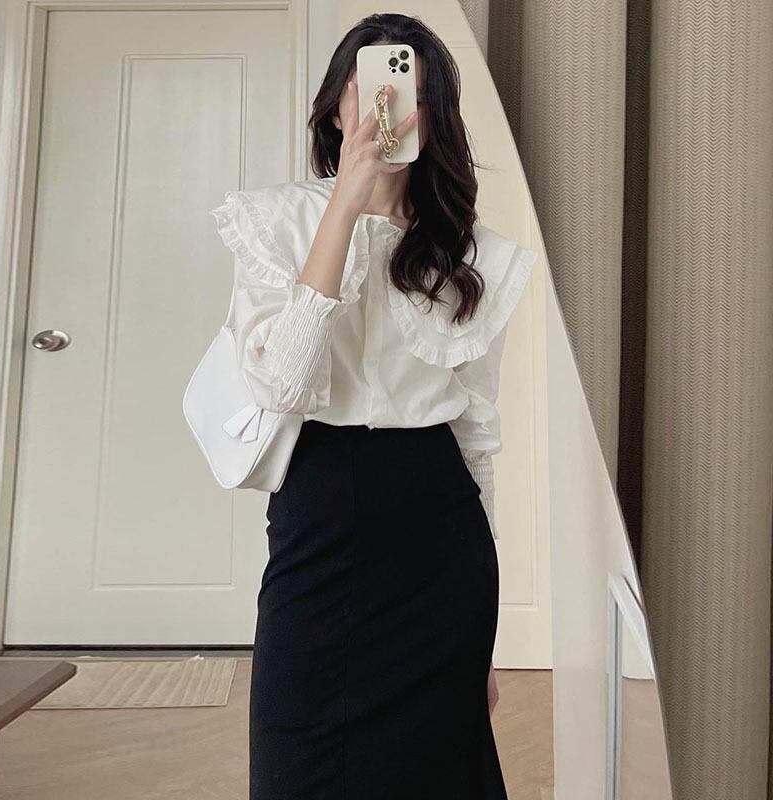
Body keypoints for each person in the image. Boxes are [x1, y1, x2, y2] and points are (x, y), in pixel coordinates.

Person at [209, 12, 537, 800]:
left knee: (438, 771)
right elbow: (284, 385)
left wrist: (483, 639)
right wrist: (345, 208)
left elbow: (476, 432)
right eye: (369, 86)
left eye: (407, 91)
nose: (385, 107)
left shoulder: (468, 253)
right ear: (336, 106)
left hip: (441, 534)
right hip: (320, 512)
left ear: (433, 115)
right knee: (298, 762)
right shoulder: (276, 222)